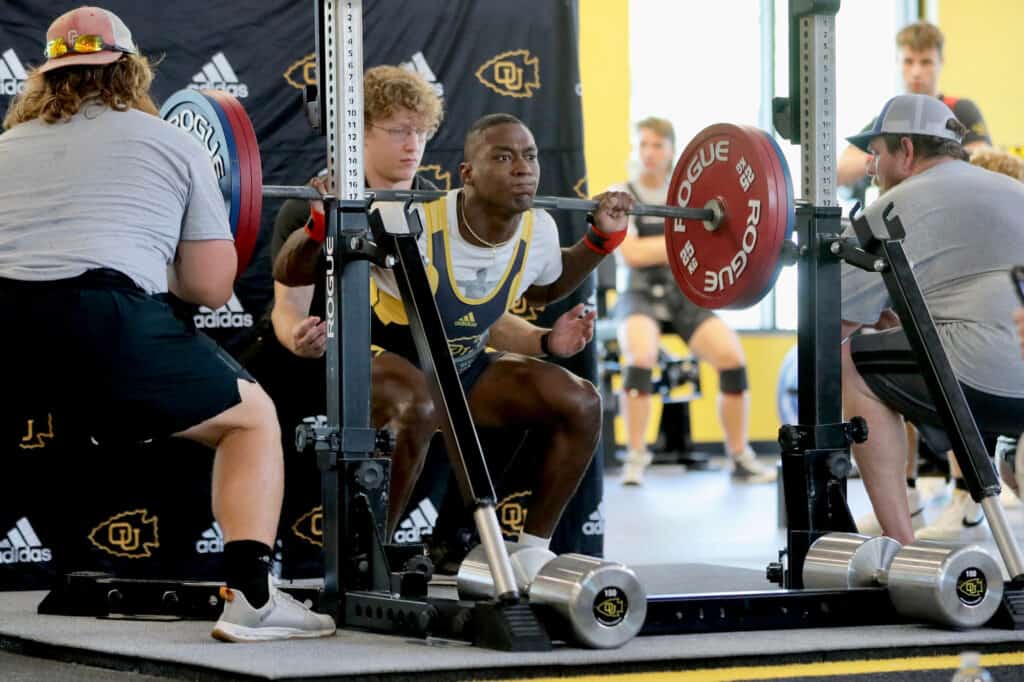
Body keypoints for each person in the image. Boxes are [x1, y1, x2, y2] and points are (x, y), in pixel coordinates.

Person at [0, 7, 334, 642]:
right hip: (104, 315)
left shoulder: (4, 145)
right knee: (251, 418)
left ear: (44, 77)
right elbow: (210, 287)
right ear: (130, 70)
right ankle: (254, 600)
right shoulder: (172, 142)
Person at [258, 68, 596, 545]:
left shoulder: (442, 209)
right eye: (398, 130)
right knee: (415, 398)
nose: (412, 143)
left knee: (572, 398)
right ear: (359, 133)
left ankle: (500, 548)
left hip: (439, 359)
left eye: (420, 131)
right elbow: (285, 306)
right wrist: (297, 336)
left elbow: (477, 315)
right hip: (347, 357)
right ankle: (367, 558)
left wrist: (544, 340)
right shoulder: (314, 205)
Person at [839, 94, 1024, 545]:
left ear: (905, 150)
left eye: (876, 154)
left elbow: (834, 323)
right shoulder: (1015, 189)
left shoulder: (890, 207)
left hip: (978, 375)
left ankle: (902, 543)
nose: (871, 168)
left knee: (850, 363)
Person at [611, 117, 775, 486]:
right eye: (643, 145)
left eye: (657, 145)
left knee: (732, 359)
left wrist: (669, 247)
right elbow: (632, 254)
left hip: (683, 295)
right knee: (641, 358)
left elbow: (709, 245)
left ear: (672, 150)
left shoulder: (688, 194)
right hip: (638, 294)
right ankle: (636, 458)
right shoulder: (621, 194)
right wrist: (680, 243)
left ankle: (739, 457)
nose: (649, 153)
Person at [837, 22, 991, 197]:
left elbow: (983, 159)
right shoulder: (890, 117)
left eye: (926, 62)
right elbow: (840, 170)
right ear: (897, 62)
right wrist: (884, 157)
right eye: (908, 61)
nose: (916, 72)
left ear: (941, 62)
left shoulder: (960, 109)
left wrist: (915, 159)